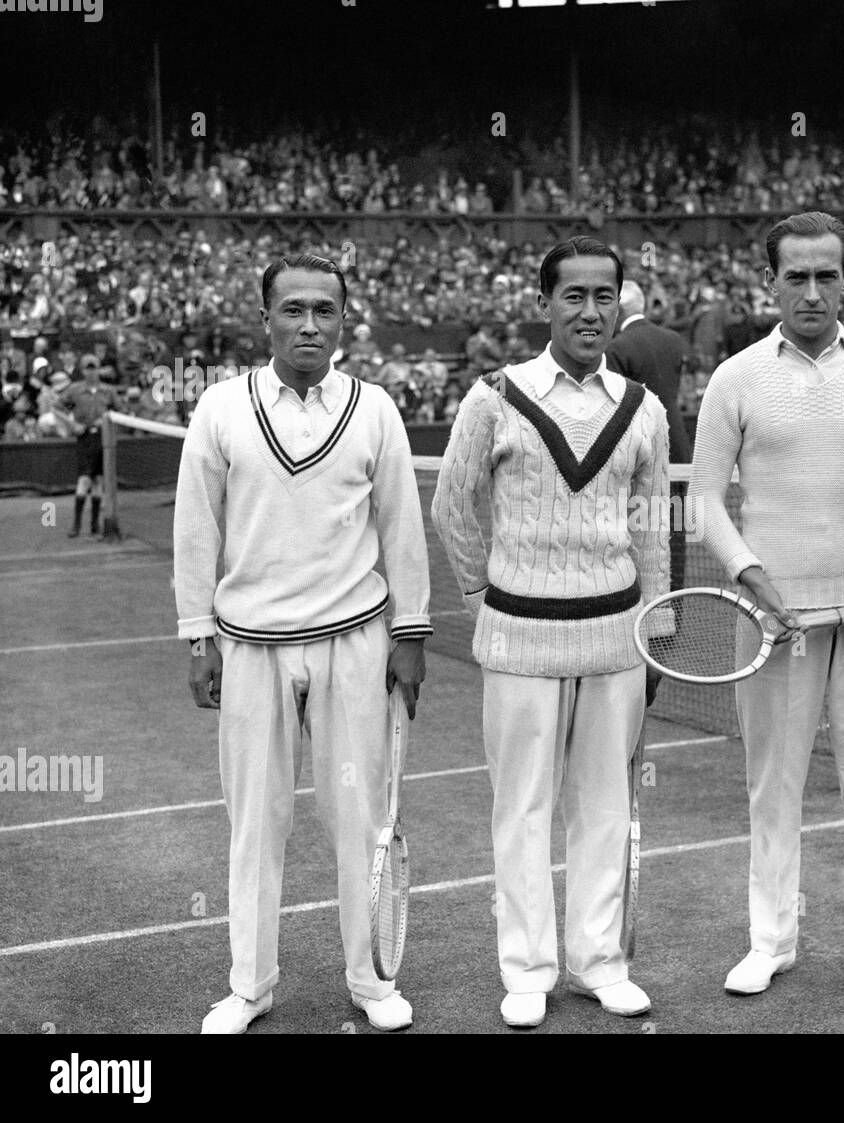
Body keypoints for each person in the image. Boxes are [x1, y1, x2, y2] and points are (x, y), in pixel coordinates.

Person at [174, 253, 432, 1034]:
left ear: (344, 320)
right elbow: (196, 528)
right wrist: (197, 635)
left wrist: (412, 630)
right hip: (251, 645)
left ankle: (371, 979)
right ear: (266, 320)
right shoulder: (220, 407)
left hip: (355, 641)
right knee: (257, 822)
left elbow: (401, 526)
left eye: (325, 308)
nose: (309, 323)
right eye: (293, 309)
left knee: (359, 819)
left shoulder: (375, 408)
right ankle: (250, 985)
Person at [691, 211, 844, 999]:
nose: (810, 290)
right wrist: (751, 575)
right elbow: (703, 497)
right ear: (768, 282)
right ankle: (772, 938)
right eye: (794, 275)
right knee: (774, 780)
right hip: (770, 622)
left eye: (824, 274)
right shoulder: (734, 378)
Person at [432, 236, 670, 1030]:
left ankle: (600, 961)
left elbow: (652, 532)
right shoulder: (493, 397)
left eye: (605, 296)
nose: (591, 311)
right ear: (544, 304)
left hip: (614, 641)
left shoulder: (644, 410)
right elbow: (453, 505)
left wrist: (655, 624)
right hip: (519, 640)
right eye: (574, 296)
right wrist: (481, 594)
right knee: (523, 808)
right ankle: (527, 967)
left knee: (604, 807)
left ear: (620, 303)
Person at [605, 280, 692, 465]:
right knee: (678, 495)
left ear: (618, 309)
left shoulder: (616, 348)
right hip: (676, 438)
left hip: (638, 448)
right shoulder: (673, 339)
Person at [61, 357, 118, 538]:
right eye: (88, 368)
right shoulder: (75, 391)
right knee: (84, 479)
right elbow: (58, 408)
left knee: (99, 481)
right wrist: (72, 425)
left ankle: (95, 524)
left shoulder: (108, 391)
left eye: (94, 368)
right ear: (82, 370)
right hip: (85, 438)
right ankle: (77, 524)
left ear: (99, 370)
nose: (91, 372)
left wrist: (107, 418)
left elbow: (120, 410)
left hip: (103, 438)